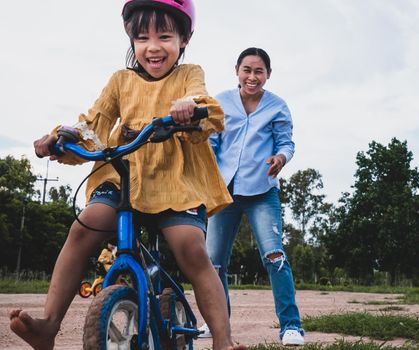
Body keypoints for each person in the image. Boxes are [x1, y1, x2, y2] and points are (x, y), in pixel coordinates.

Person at [9, 2, 245, 350]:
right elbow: (92, 123)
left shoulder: (187, 75)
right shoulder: (120, 81)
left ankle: (223, 342)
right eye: (142, 37)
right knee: (83, 228)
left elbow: (205, 104)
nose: (153, 46)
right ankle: (48, 327)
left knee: (192, 250)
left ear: (184, 39)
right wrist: (62, 137)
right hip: (124, 179)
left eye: (165, 36)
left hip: (175, 183)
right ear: (131, 40)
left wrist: (190, 108)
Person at [199, 47, 305, 346]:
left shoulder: (277, 106)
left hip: (262, 190)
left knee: (275, 257)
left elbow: (286, 143)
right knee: (212, 262)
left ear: (268, 74)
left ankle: (291, 326)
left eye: (259, 71)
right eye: (247, 69)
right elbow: (213, 141)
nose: (252, 76)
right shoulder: (221, 102)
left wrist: (281, 158)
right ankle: (217, 324)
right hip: (224, 191)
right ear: (237, 70)